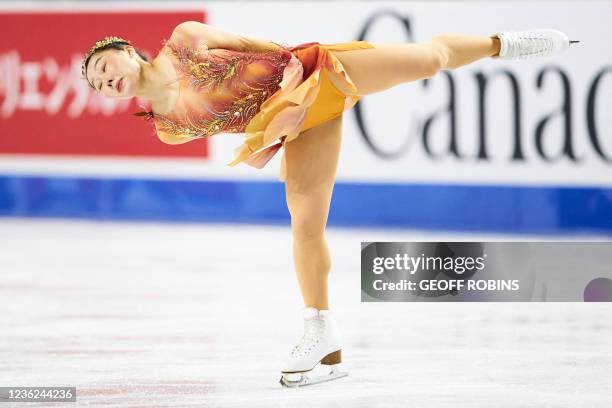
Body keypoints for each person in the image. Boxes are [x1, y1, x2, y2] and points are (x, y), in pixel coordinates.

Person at [81, 22, 577, 387]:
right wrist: (273, 130)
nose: (106, 81)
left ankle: (502, 44)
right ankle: (322, 333)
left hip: (318, 73)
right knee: (305, 220)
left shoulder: (187, 39)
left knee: (427, 60)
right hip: (297, 125)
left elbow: (268, 50)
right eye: (98, 85)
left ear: (125, 50)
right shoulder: (168, 130)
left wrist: (294, 89)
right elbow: (240, 121)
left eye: (104, 67)